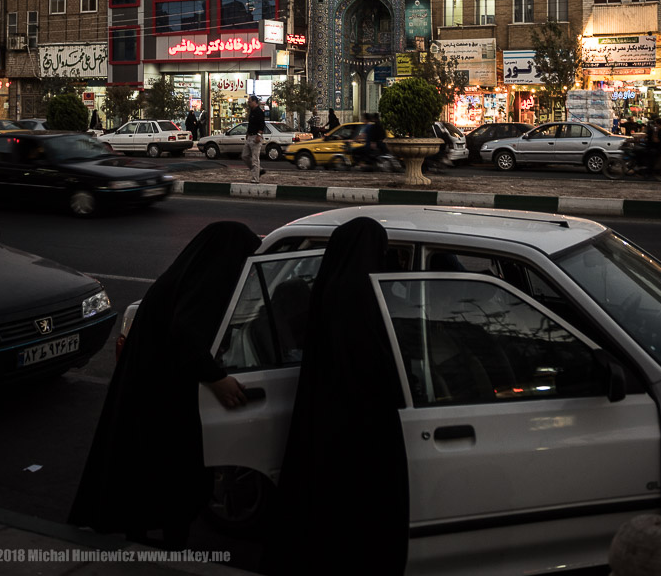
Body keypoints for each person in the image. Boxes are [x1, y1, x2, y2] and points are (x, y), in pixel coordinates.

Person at [69, 221, 261, 547]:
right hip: (164, 394)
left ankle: (140, 534)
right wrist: (217, 378)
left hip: (149, 388)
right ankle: (170, 540)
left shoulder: (183, 276)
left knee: (141, 468)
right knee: (173, 472)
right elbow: (186, 334)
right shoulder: (208, 281)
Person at [266, 218, 409, 576]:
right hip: (358, 425)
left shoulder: (332, 286)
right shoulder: (361, 296)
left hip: (327, 418)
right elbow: (374, 366)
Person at [241, 94, 266, 183]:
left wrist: (259, 135)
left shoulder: (259, 112)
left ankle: (256, 178)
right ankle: (258, 170)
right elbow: (250, 124)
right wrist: (248, 133)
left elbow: (262, 124)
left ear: (255, 102)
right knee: (245, 156)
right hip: (250, 136)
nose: (249, 103)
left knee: (255, 158)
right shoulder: (251, 111)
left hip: (256, 136)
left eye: (250, 102)